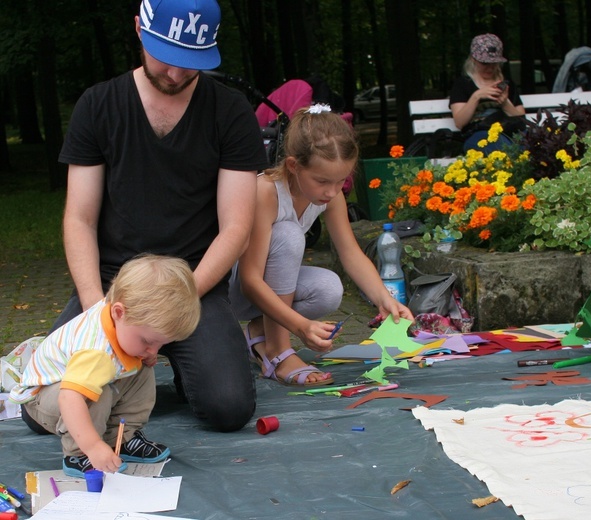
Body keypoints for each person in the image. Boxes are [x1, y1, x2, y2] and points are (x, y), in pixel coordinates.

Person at [54, 0, 269, 432]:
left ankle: (157, 374)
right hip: (114, 286)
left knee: (228, 409)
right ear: (138, 29)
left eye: (190, 64)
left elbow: (236, 229)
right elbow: (79, 219)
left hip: (194, 283)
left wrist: (176, 302)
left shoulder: (230, 112)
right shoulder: (98, 105)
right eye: (166, 59)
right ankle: (131, 373)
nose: (175, 74)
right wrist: (98, 309)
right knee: (48, 409)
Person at [229, 105, 414, 386]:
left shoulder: (330, 195)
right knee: (289, 235)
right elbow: (250, 281)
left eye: (341, 181)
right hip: (232, 292)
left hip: (262, 289)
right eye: (323, 181)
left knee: (329, 289)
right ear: (293, 165)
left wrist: (383, 298)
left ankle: (259, 333)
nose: (331, 191)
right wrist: (299, 326)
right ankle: (278, 352)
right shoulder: (265, 192)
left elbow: (350, 252)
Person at [10, 255, 201, 478]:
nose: (153, 350)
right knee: (94, 393)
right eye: (148, 341)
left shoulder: (123, 317)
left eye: (161, 344)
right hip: (43, 399)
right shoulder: (94, 350)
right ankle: (78, 454)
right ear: (119, 313)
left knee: (141, 371)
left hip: (73, 387)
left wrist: (145, 351)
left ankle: (121, 438)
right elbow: (70, 398)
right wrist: (92, 446)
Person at [449, 33, 526, 152]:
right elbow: (460, 123)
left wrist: (505, 104)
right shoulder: (463, 84)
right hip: (478, 134)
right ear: (473, 59)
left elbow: (521, 122)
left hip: (507, 130)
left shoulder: (506, 83)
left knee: (528, 144)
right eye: (485, 63)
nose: (490, 68)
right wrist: (477, 96)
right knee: (502, 146)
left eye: (494, 63)